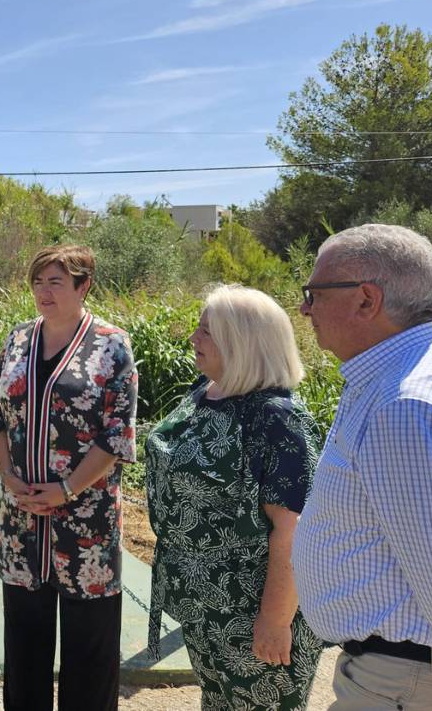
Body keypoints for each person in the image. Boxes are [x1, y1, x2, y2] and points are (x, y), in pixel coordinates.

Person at [291, 223, 432, 709]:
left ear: (366, 301)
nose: (305, 308)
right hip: (407, 676)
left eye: (314, 293)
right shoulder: (416, 375)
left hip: (409, 683)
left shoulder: (405, 403)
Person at [145, 284, 323, 710]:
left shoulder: (278, 419)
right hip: (202, 605)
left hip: (253, 609)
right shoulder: (206, 391)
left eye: (206, 331)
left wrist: (276, 620)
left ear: (241, 341)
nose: (193, 339)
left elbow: (294, 528)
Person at [0, 244, 137, 711]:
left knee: (90, 656)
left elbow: (118, 434)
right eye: (37, 282)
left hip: (86, 527)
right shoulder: (17, 339)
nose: (43, 292)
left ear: (83, 285)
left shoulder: (112, 345)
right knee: (24, 650)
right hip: (21, 522)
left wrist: (67, 488)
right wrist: (9, 476)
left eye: (55, 282)